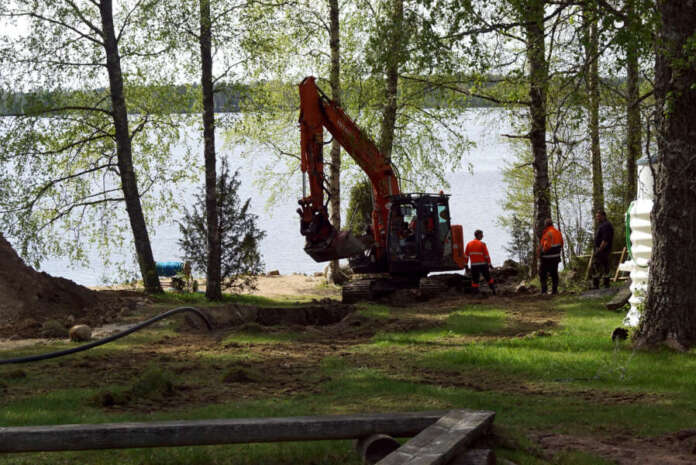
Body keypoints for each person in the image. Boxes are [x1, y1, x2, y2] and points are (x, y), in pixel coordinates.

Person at [464, 230, 496, 294]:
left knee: (475, 280)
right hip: (483, 265)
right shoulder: (482, 244)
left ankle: (475, 292)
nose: (482, 236)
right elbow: (486, 256)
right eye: (481, 235)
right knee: (488, 278)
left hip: (474, 265)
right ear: (478, 235)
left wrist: (466, 266)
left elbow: (466, 256)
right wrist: (490, 264)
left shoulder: (469, 244)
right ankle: (493, 290)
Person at [538, 218, 564, 295]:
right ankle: (555, 290)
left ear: (545, 225)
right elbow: (562, 244)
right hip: (556, 257)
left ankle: (544, 291)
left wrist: (541, 253)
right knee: (554, 273)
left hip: (547, 258)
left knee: (542, 273)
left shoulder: (547, 233)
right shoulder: (558, 232)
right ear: (552, 224)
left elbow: (545, 246)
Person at [592, 209, 614, 289]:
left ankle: (596, 284)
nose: (597, 218)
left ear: (603, 216)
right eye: (596, 217)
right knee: (605, 267)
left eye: (598, 216)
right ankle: (605, 284)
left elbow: (605, 239)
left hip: (603, 250)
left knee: (596, 266)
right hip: (604, 250)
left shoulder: (606, 225)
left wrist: (599, 250)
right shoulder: (603, 225)